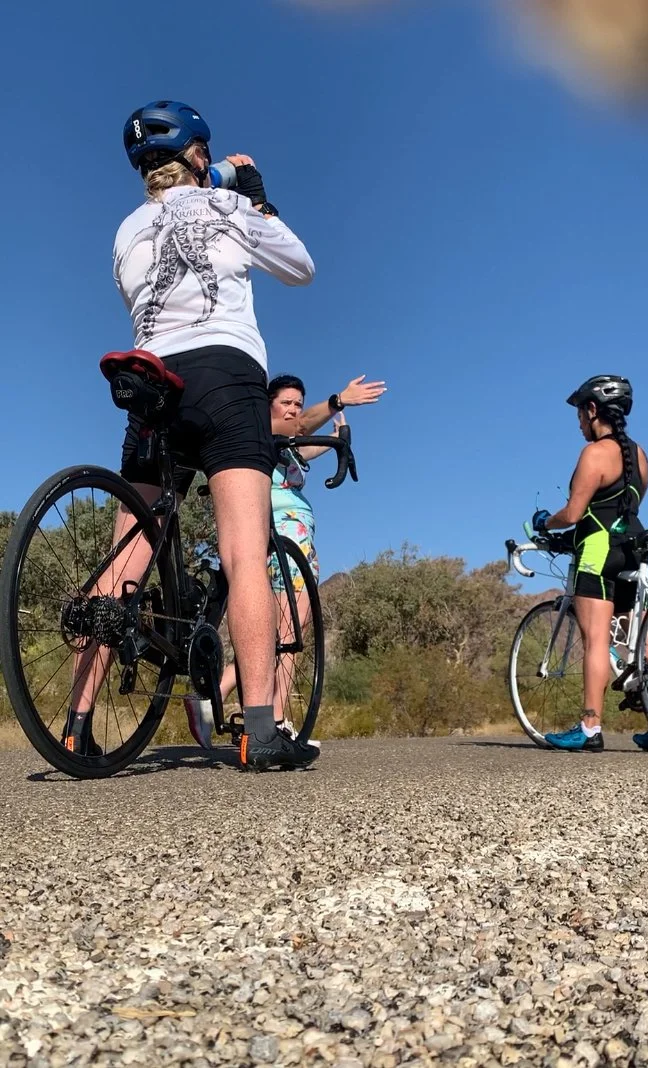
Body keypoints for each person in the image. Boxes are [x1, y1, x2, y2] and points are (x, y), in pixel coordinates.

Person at [64, 99, 319, 771]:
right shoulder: (226, 207)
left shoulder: (126, 229)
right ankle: (261, 733)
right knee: (243, 552)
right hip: (225, 374)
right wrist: (255, 196)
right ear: (200, 157)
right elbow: (300, 265)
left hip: (151, 378)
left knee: (124, 563)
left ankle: (76, 725)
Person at [184, 371, 387, 748]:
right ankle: (275, 721)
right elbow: (303, 426)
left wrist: (339, 439)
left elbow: (308, 445)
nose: (294, 410)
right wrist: (337, 401)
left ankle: (218, 701)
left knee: (274, 634)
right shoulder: (264, 429)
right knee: (291, 631)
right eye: (287, 403)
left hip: (282, 533)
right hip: (286, 533)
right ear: (267, 406)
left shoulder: (282, 446)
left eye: (297, 402)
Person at [530, 375, 648, 753]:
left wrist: (545, 522)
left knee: (596, 639)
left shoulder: (593, 454)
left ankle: (590, 727)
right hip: (633, 547)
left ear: (593, 411)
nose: (578, 423)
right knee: (644, 639)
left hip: (598, 550)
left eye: (579, 414)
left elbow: (575, 512)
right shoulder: (640, 456)